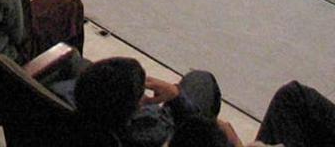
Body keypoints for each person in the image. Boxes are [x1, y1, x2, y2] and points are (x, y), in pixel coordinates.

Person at [54, 56, 222, 147]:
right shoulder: (154, 130)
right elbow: (196, 128)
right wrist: (177, 95)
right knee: (201, 80)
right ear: (136, 108)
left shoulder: (60, 94)